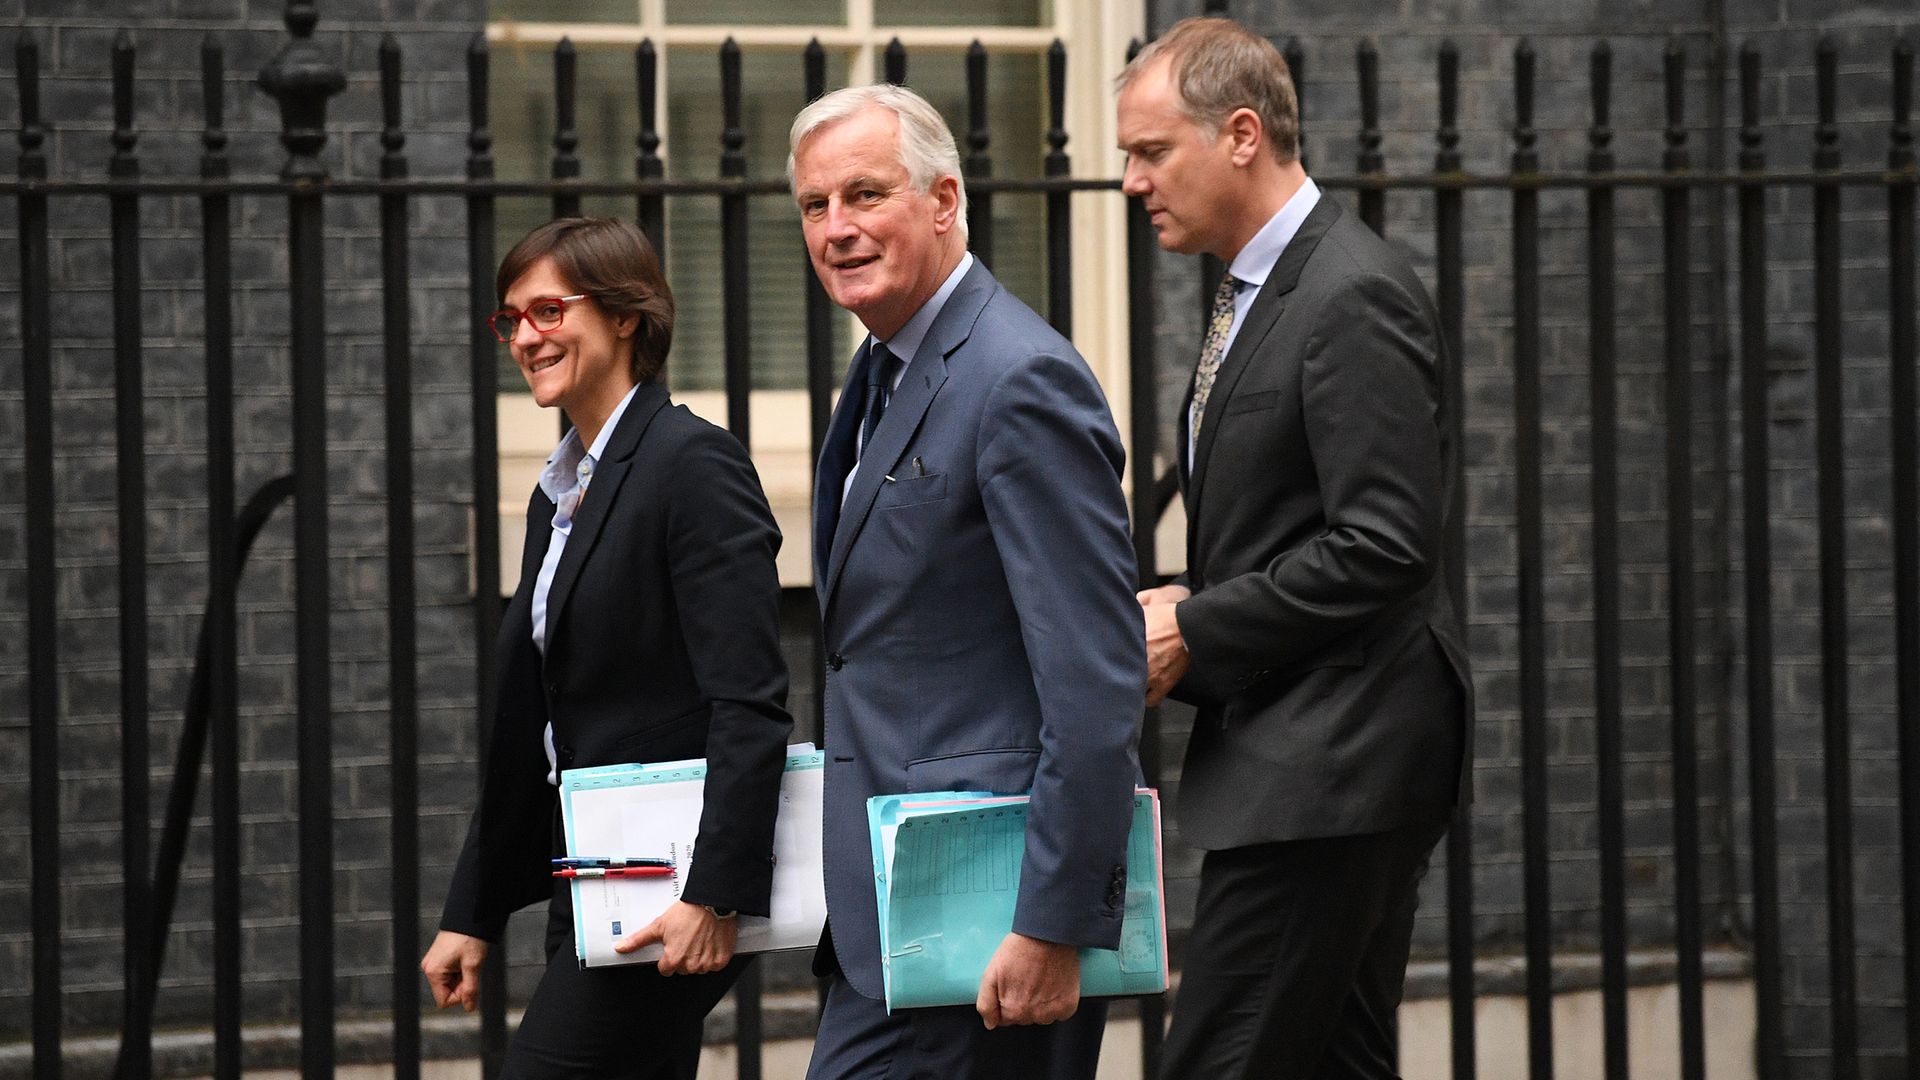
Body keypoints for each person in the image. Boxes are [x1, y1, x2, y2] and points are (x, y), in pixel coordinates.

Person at [1116, 18, 1474, 1080]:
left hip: (1334, 767)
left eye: (1150, 151)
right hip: (1316, 759)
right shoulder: (1261, 287)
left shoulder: (1347, 292)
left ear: (1239, 134)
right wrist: (1194, 593)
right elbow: (1298, 527)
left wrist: (1197, 624)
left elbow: (1384, 544)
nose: (1131, 180)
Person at [788, 84, 1145, 1080]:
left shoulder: (1017, 376)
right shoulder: (882, 371)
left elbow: (1094, 678)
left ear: (944, 201)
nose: (837, 228)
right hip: (896, 915)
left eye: (864, 194)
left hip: (992, 921)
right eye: (816, 206)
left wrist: (1052, 924)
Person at [419, 217, 793, 1080]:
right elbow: (536, 726)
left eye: (548, 310)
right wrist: (472, 911)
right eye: (509, 319)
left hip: (673, 880)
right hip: (586, 867)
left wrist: (713, 893)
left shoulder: (692, 465)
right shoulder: (559, 495)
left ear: (626, 316)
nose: (524, 337)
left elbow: (749, 702)